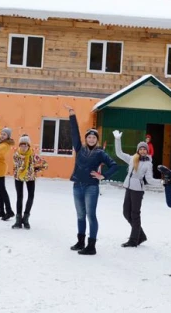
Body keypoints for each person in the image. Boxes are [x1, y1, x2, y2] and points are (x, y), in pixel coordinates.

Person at [64, 105, 118, 255]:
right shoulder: (79, 148)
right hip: (77, 186)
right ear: (86, 138)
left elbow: (114, 166)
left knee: (90, 215)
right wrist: (72, 114)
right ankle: (80, 242)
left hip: (91, 188)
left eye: (94, 137)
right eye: (89, 137)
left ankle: (91, 246)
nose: (91, 139)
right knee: (80, 215)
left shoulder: (100, 153)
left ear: (97, 140)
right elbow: (74, 133)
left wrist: (104, 176)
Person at [113, 130, 161, 247]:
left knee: (135, 214)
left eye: (145, 149)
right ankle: (141, 235)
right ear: (138, 150)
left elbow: (149, 179)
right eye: (141, 149)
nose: (143, 151)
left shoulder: (148, 163)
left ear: (147, 151)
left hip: (138, 190)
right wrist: (117, 140)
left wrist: (161, 182)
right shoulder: (131, 158)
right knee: (126, 213)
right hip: (128, 188)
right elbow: (119, 153)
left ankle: (134, 240)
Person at [11, 134, 48, 230]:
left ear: (29, 145)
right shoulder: (16, 155)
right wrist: (18, 172)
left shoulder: (33, 155)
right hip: (19, 177)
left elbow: (45, 164)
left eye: (25, 145)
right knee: (19, 197)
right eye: (22, 145)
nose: (23, 147)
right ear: (19, 145)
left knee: (31, 196)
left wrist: (35, 170)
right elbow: (15, 166)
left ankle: (26, 218)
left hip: (30, 177)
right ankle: (18, 220)